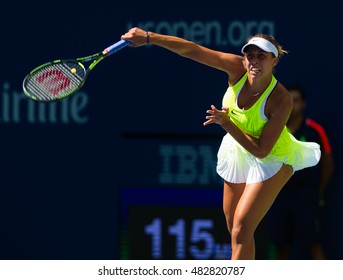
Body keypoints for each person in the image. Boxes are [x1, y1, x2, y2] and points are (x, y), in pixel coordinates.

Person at [121, 28, 321, 260]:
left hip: (273, 157)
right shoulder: (237, 68)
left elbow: (261, 150)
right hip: (239, 147)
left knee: (242, 227)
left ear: (274, 60)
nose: (254, 61)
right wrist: (149, 37)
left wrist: (226, 123)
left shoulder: (281, 99)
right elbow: (192, 50)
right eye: (250, 55)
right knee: (234, 228)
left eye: (262, 55)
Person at [269, 85, 335, 259]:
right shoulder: (274, 128)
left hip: (306, 198)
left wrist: (318, 193)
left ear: (303, 104)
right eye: (289, 101)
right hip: (279, 196)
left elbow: (328, 163)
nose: (292, 105)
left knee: (313, 244)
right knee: (280, 247)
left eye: (296, 100)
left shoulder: (314, 130)